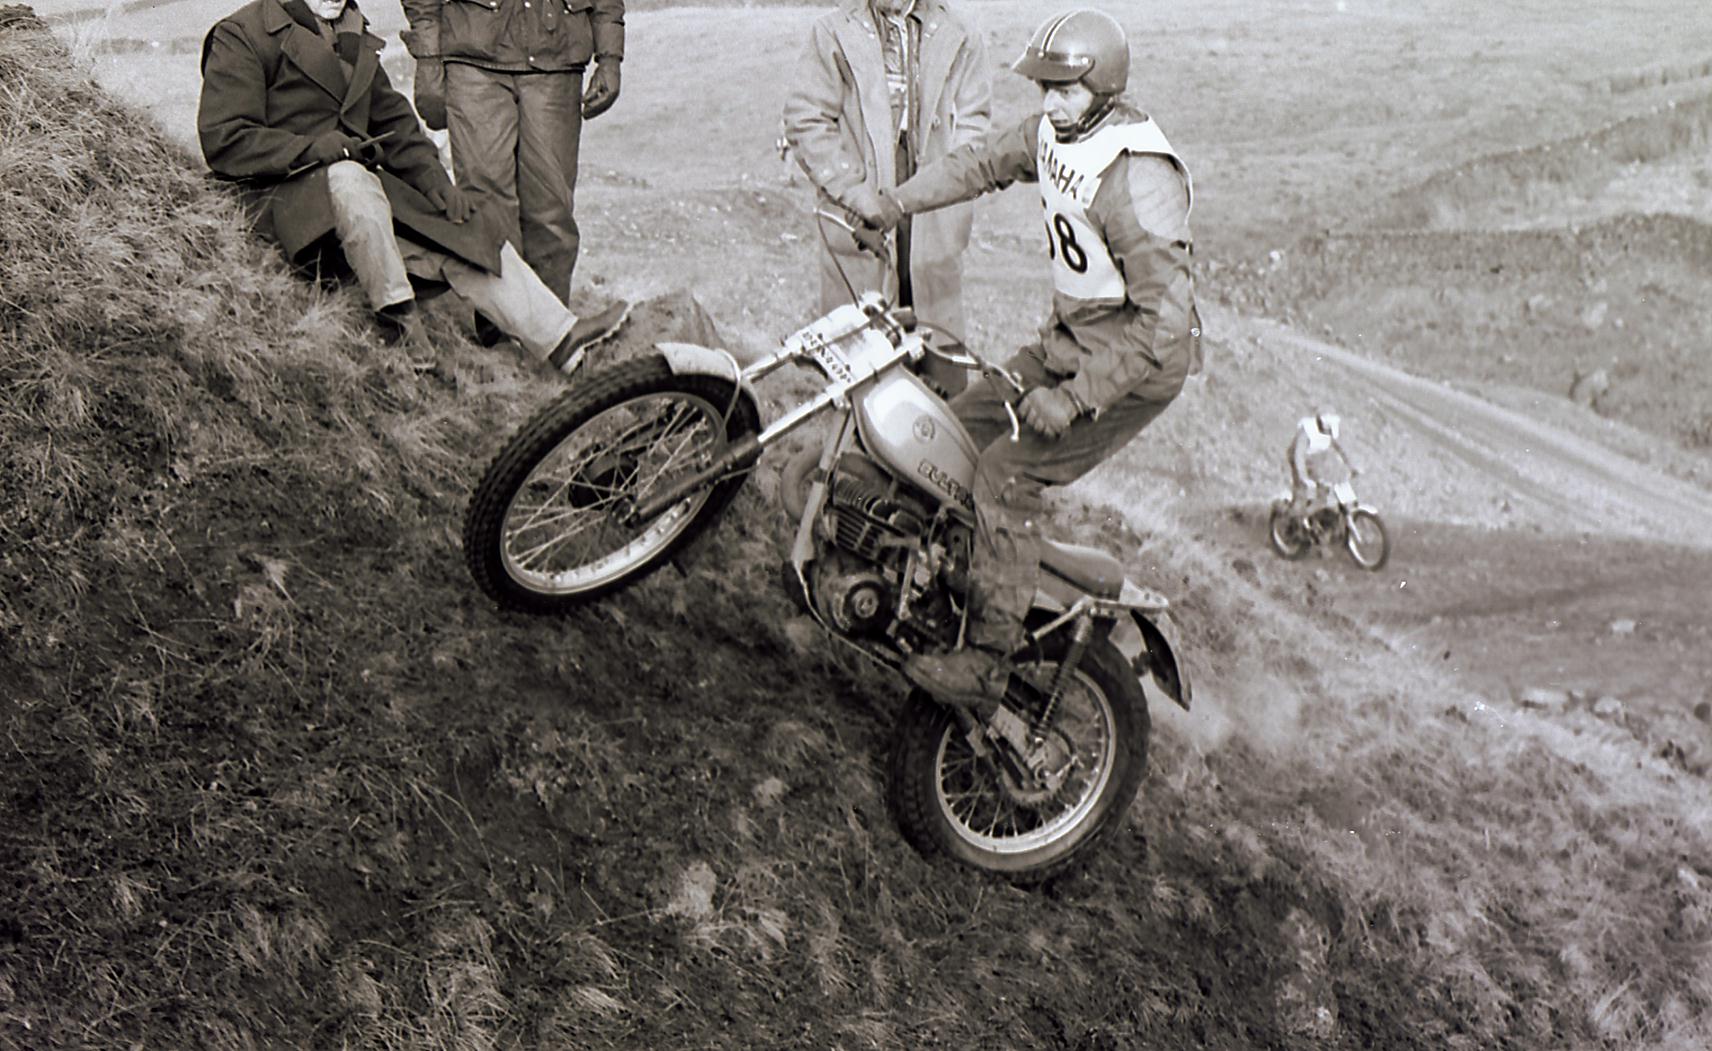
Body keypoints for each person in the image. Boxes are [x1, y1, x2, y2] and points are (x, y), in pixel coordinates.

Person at [854, 8, 1202, 707]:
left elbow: (1164, 325)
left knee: (1007, 477)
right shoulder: (1054, 133)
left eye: (1064, 90)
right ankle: (940, 582)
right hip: (1070, 339)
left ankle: (986, 662)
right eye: (1043, 88)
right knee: (951, 433)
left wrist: (1074, 398)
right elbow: (980, 163)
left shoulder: (1139, 175)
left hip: (1131, 368)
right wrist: (896, 203)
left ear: (1102, 90)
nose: (1049, 102)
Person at [197, 0, 628, 374]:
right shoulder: (244, 34)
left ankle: (560, 339)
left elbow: (396, 127)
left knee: (464, 226)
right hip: (284, 213)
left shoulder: (352, 35)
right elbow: (225, 139)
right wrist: (311, 149)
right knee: (351, 179)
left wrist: (436, 183)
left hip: (357, 224)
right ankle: (399, 321)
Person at [780, 0, 992, 397]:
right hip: (860, 211)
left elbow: (974, 123)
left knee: (939, 343)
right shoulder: (831, 33)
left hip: (933, 209)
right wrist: (855, 193)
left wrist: (943, 186)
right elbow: (806, 119)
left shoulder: (960, 32)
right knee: (859, 351)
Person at [399, 0, 624, 312]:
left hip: (556, 59)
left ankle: (552, 338)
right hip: (473, 57)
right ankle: (500, 335)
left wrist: (610, 57)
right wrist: (427, 59)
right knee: (487, 209)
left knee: (551, 213)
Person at [1288, 412, 1357, 522]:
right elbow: (1298, 456)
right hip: (1300, 459)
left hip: (1315, 459)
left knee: (1323, 494)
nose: (1329, 433)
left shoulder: (1330, 431)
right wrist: (1303, 478)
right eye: (1327, 430)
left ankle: (1315, 519)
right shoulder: (1307, 431)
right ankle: (1293, 524)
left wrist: (1351, 465)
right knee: (1302, 493)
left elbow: (1341, 448)